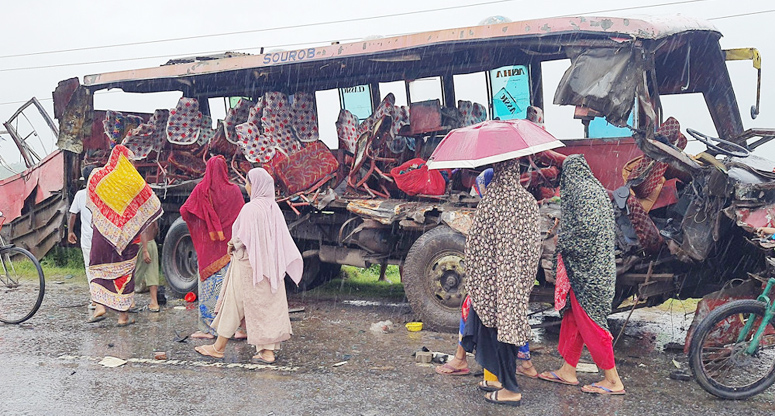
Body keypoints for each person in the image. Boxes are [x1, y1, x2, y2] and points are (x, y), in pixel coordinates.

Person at [537, 154, 626, 395]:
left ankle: (612, 379)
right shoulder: (595, 189)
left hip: (588, 273)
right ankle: (568, 370)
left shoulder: (579, 191)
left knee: (591, 322)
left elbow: (584, 231)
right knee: (575, 318)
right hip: (596, 269)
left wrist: (561, 239)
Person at [195, 168, 303, 363]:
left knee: (233, 304)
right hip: (271, 267)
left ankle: (218, 348)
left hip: (248, 265)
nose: (246, 186)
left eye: (248, 182)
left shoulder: (250, 209)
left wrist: (231, 245)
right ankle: (267, 351)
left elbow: (242, 239)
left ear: (255, 185)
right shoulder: (274, 208)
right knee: (267, 306)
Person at [460, 158, 541, 407]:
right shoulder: (527, 201)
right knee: (510, 328)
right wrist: (522, 275)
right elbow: (534, 244)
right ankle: (499, 381)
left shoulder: (491, 202)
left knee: (497, 330)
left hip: (494, 281)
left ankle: (511, 389)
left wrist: (480, 277)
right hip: (516, 280)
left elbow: (476, 245)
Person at [85, 145, 163, 326]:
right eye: (132, 161)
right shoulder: (133, 180)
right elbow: (150, 202)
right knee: (125, 274)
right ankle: (123, 317)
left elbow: (92, 199)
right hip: (127, 237)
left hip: (102, 233)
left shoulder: (98, 175)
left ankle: (100, 306)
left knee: (99, 268)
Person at [180, 155, 245, 339]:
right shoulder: (235, 191)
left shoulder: (202, 190)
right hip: (230, 250)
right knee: (232, 290)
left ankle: (209, 329)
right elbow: (241, 218)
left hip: (209, 250)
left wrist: (202, 225)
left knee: (211, 291)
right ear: (225, 170)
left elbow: (185, 211)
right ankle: (237, 329)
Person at [67, 165, 96, 309]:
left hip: (87, 238)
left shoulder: (80, 195)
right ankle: (107, 298)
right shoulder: (103, 193)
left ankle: (95, 299)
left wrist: (70, 232)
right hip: (102, 238)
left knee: (89, 267)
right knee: (104, 266)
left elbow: (73, 214)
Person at [133, 219, 160, 312]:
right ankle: (154, 303)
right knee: (152, 273)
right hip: (152, 243)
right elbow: (156, 228)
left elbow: (142, 230)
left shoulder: (140, 212)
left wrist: (144, 249)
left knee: (135, 273)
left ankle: (130, 302)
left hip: (143, 244)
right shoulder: (152, 212)